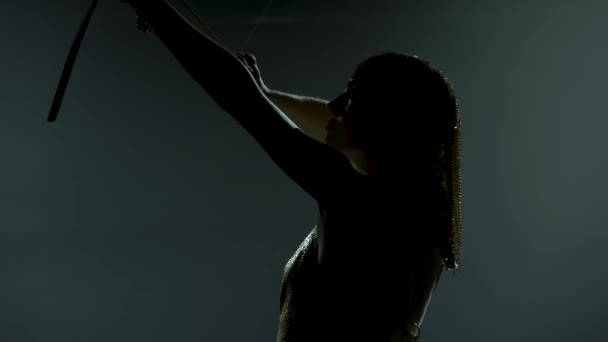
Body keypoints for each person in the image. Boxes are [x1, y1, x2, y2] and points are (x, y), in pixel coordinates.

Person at [125, 1, 462, 341]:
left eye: (353, 94)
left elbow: (239, 97)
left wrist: (153, 7)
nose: (335, 104)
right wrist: (266, 94)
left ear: (390, 118)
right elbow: (322, 119)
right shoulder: (416, 207)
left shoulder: (357, 200)